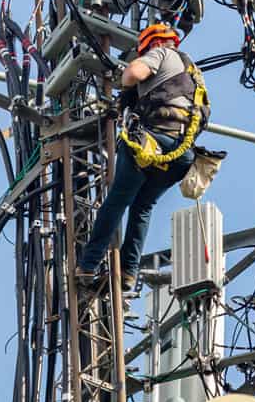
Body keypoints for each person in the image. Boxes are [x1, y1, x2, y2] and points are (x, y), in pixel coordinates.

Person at [78, 23, 205, 286]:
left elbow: (133, 74)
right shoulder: (192, 72)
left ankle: (88, 266)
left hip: (151, 143)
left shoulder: (160, 54)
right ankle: (128, 272)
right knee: (143, 206)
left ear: (151, 45)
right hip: (181, 155)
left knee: (118, 201)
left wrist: (124, 81)